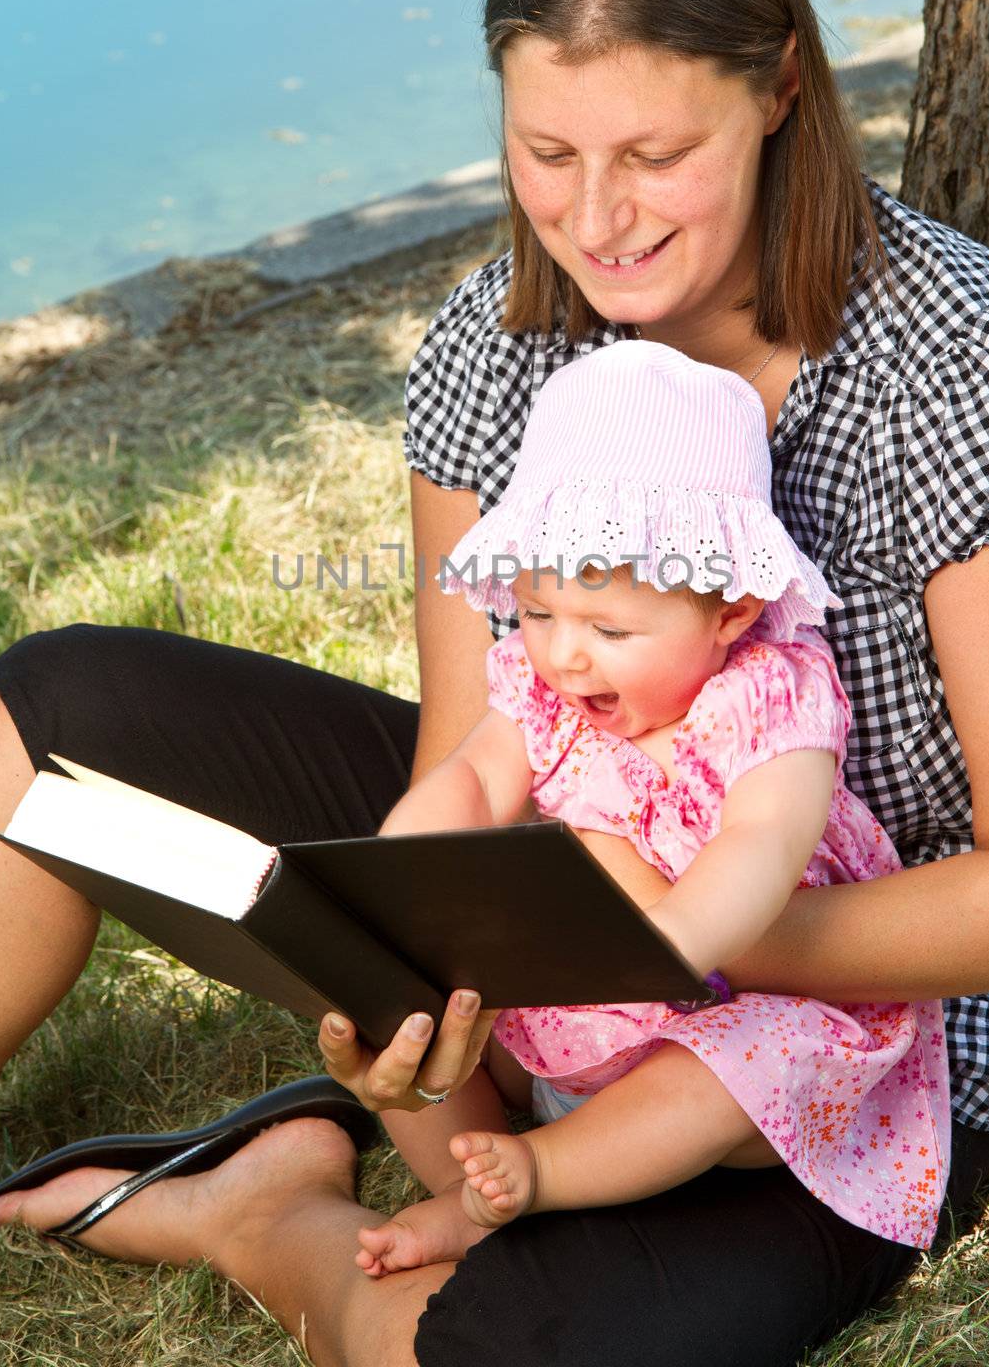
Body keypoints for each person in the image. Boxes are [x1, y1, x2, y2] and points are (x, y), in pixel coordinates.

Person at [0, 0, 989, 1367]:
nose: (596, 223)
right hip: (559, 896)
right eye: (546, 153)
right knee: (51, 721)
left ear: (781, 85)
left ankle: (266, 1210)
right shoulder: (490, 341)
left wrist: (675, 934)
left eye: (654, 154)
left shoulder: (964, 362)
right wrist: (409, 964)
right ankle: (376, 1121)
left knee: (478, 1353)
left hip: (836, 1031)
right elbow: (468, 761)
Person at [355, 340, 951, 1281]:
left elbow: (762, 839)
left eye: (608, 628)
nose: (564, 656)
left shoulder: (769, 697)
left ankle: (534, 1177)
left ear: (732, 611)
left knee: (729, 1066)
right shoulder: (543, 688)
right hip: (568, 1024)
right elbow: (473, 778)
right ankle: (460, 1188)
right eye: (541, 612)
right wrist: (401, 880)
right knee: (409, 1009)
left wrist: (661, 942)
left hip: (741, 1017)